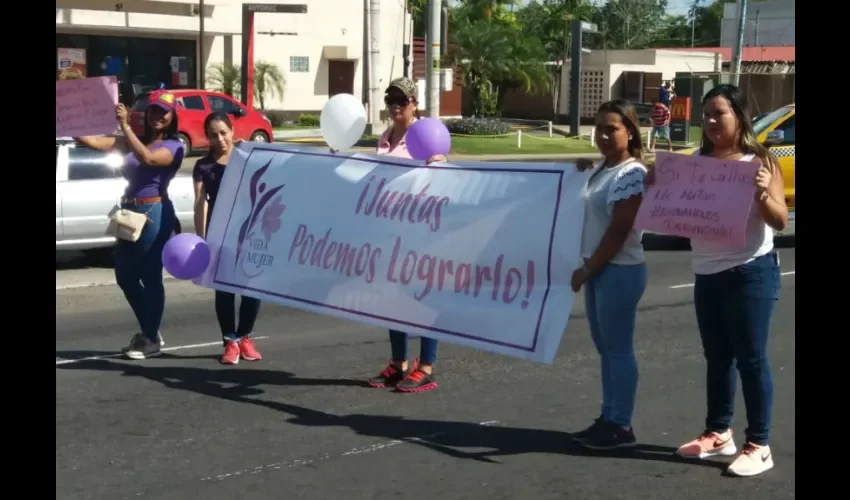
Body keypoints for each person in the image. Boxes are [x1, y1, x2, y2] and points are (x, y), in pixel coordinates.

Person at [662, 84, 788, 477]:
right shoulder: (696, 161)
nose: (712, 121)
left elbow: (780, 220)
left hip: (750, 271)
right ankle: (719, 432)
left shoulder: (760, 161)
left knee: (751, 360)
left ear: (740, 116)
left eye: (720, 113)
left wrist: (764, 194)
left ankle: (759, 444)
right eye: (708, 114)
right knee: (717, 359)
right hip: (707, 273)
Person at [75, 90, 185, 360]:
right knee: (124, 275)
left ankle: (149, 338)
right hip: (128, 212)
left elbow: (148, 158)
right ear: (146, 114)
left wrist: (125, 126)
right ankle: (151, 329)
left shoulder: (175, 146)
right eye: (154, 111)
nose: (158, 116)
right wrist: (69, 121)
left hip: (154, 211)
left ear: (172, 118)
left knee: (149, 275)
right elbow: (93, 142)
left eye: (164, 112)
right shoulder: (130, 140)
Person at [568, 100, 648, 450]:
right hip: (600, 269)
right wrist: (583, 170)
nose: (602, 134)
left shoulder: (632, 174)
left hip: (619, 270)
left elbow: (618, 232)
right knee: (607, 349)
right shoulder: (604, 168)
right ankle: (609, 415)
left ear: (629, 131)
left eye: (611, 128)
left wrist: (587, 269)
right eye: (598, 127)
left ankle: (621, 425)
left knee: (618, 350)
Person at [361, 77, 446, 392]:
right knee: (392, 299)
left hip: (421, 232)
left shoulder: (425, 135)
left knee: (423, 297)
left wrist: (441, 164)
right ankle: (399, 363)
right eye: (390, 99)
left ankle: (426, 366)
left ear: (414, 103)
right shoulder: (385, 137)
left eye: (402, 99)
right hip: (389, 231)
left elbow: (443, 179)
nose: (396, 105)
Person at [193, 112, 263, 365]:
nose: (220, 139)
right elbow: (200, 204)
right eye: (214, 135)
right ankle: (229, 341)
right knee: (224, 290)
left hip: (249, 232)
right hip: (218, 235)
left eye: (224, 132)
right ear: (208, 138)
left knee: (251, 288)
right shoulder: (203, 166)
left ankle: (245, 337)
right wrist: (201, 241)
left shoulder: (248, 158)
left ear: (232, 130)